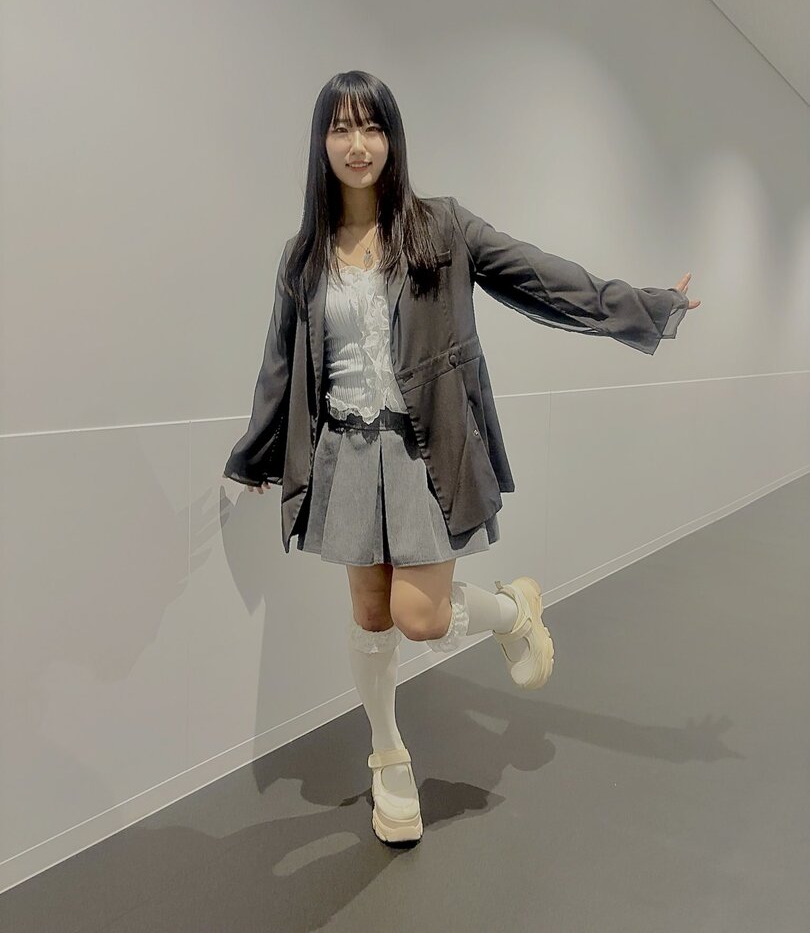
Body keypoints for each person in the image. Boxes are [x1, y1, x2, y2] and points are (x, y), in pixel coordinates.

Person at [223, 70, 700, 846]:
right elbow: (282, 362)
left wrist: (646, 306)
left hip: (424, 446)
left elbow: (541, 278)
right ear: (321, 142)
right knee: (370, 613)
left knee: (420, 616)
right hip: (345, 453)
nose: (357, 144)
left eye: (371, 126)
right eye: (341, 128)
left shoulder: (441, 227)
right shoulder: (302, 255)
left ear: (392, 138)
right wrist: (256, 454)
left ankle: (513, 612)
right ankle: (388, 756)